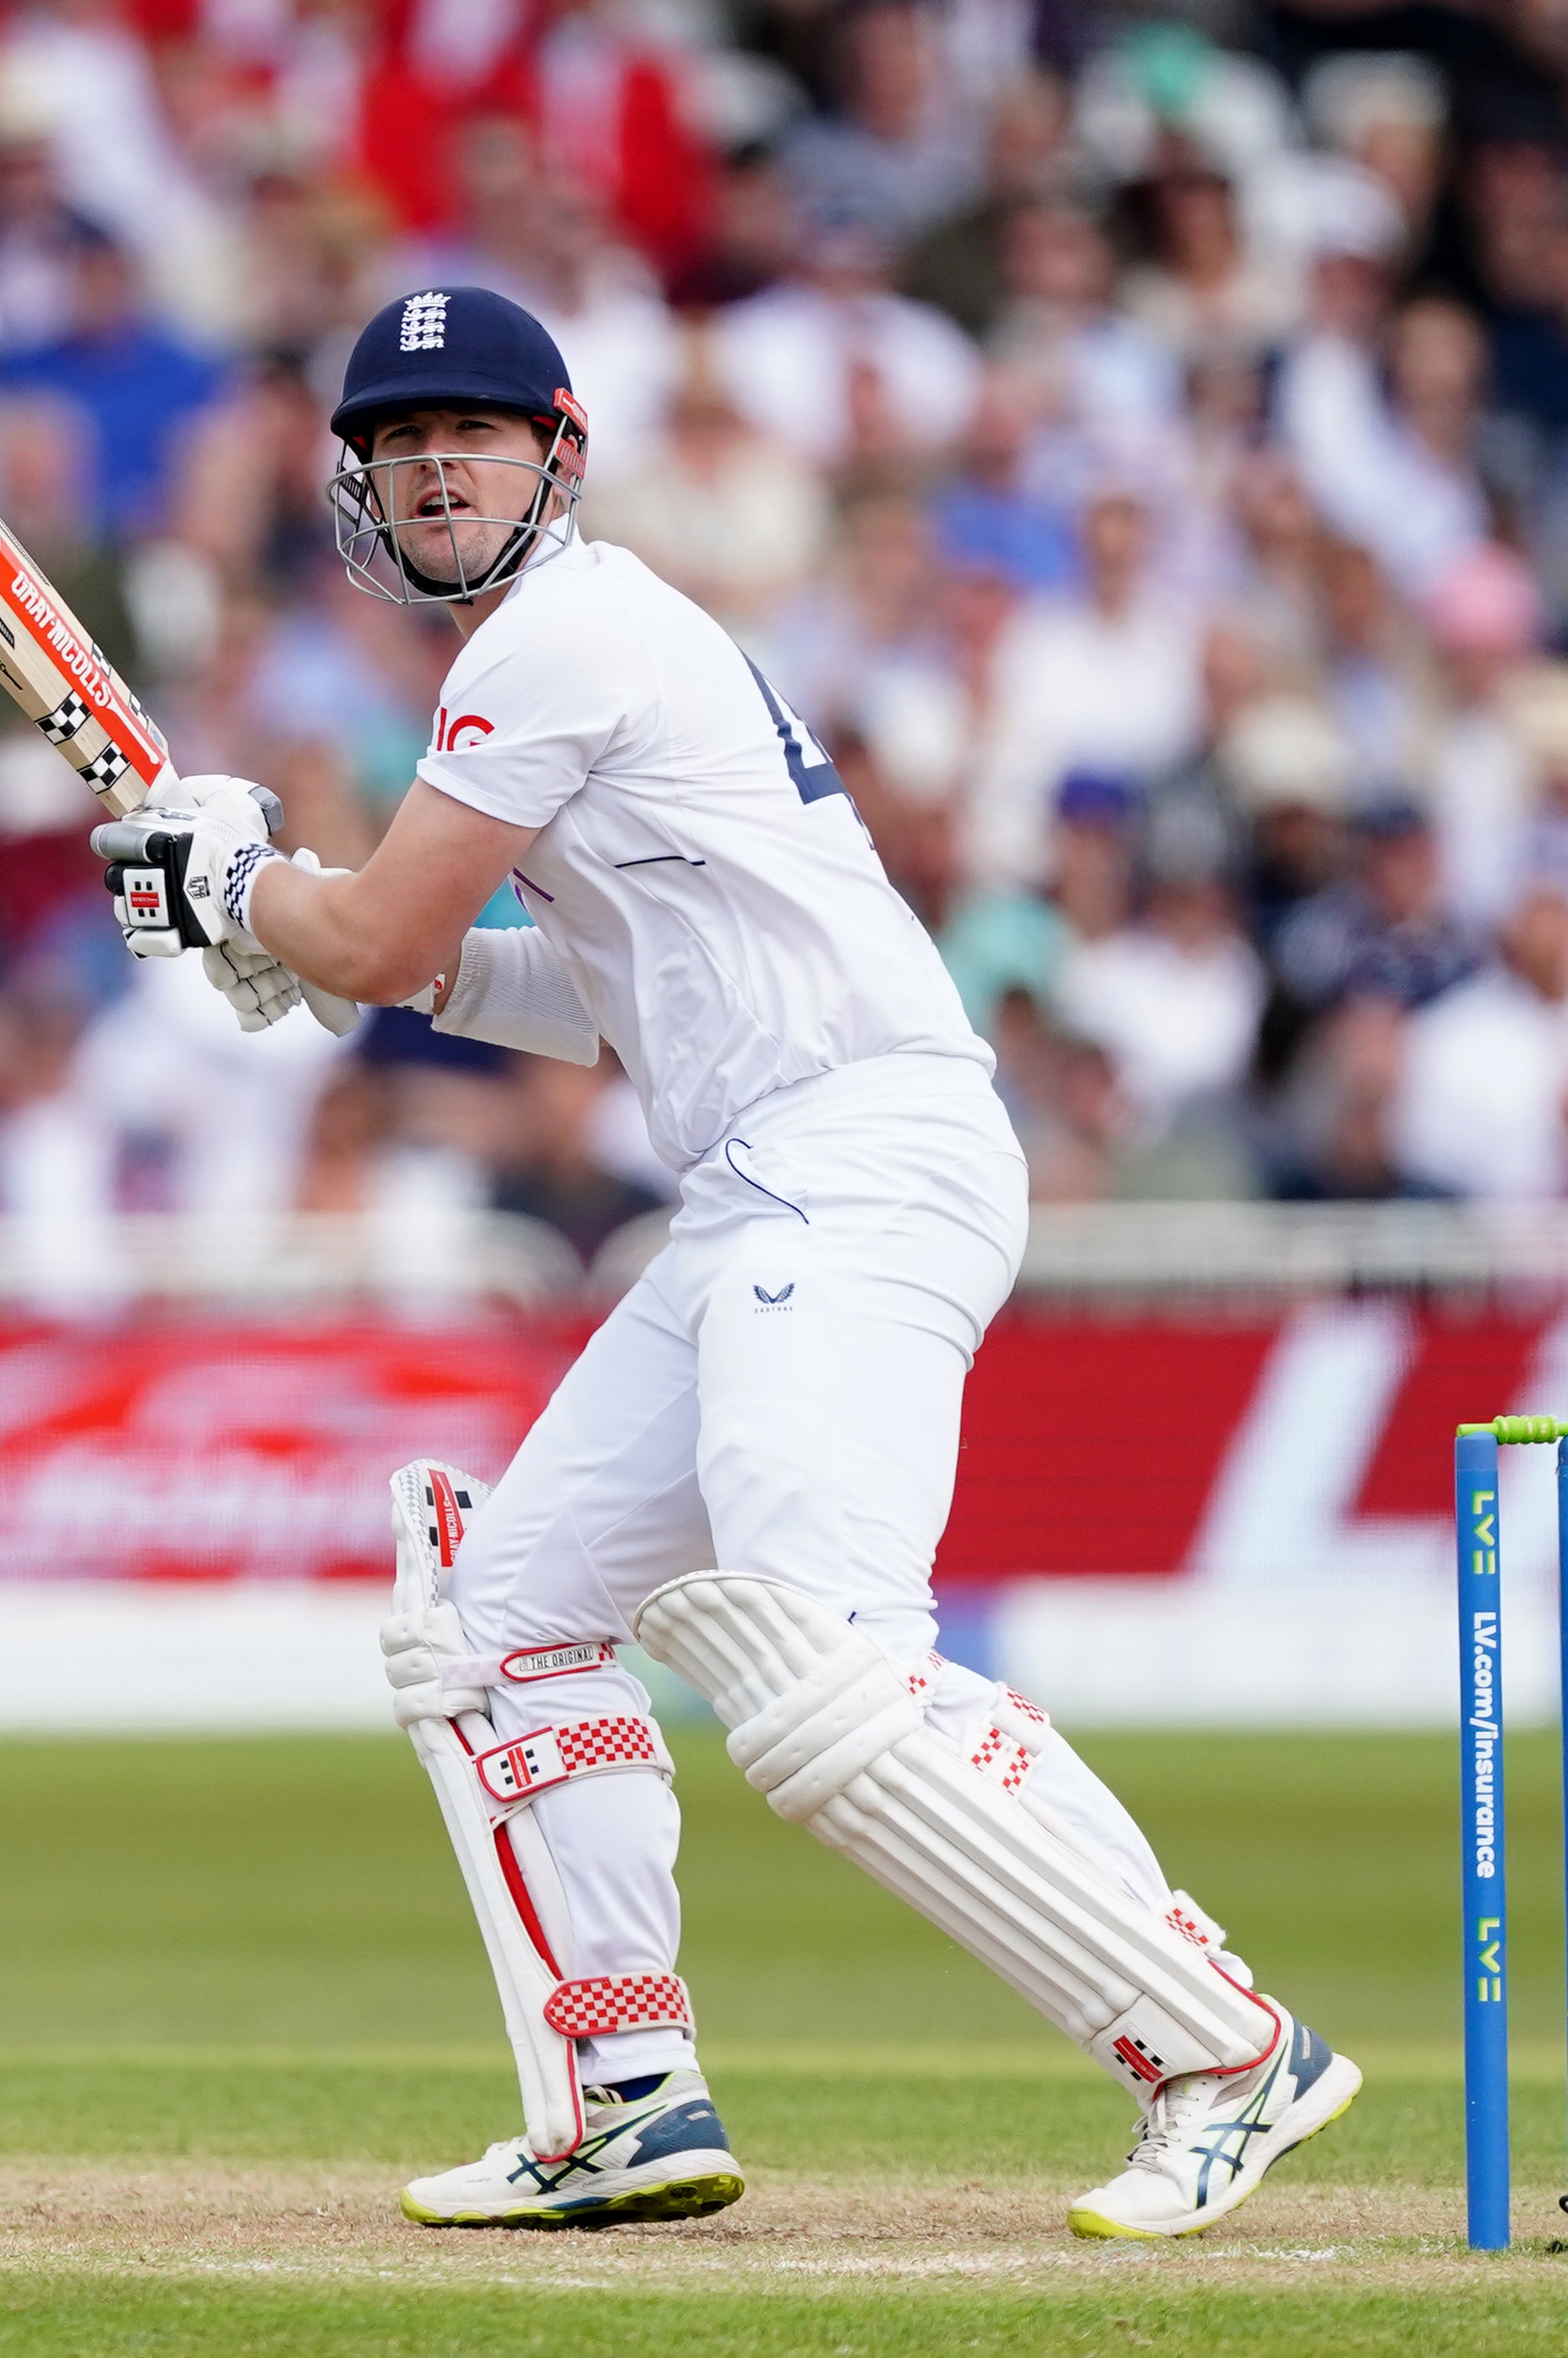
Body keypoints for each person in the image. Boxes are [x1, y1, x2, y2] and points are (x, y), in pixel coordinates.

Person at [86, 287, 1354, 2235]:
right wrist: (292, 927)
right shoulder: (587, 644)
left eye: (477, 433)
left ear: (557, 455)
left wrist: (248, 895)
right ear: (355, 487)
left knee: (828, 1677)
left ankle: (1221, 2046)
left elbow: (376, 934)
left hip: (852, 1154)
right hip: (771, 1174)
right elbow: (572, 993)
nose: (436, 464)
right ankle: (627, 2094)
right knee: (500, 1626)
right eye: (400, 441)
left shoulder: (564, 636)